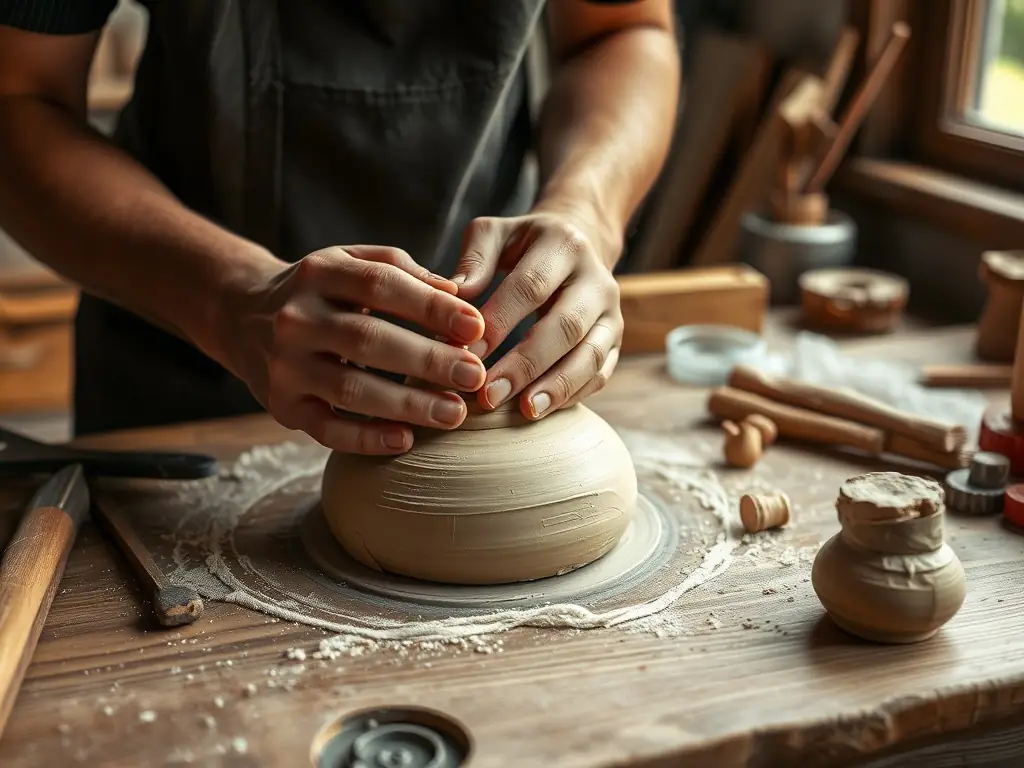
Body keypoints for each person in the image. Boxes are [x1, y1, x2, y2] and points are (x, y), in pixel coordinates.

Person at [0, 0, 679, 455]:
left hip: (491, 370)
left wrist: (586, 208)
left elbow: (622, 29)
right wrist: (232, 299)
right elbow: (19, 97)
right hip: (179, 371)